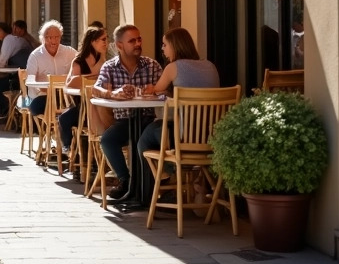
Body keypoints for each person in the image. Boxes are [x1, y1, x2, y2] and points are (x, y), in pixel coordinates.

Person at [95, 24, 164, 200]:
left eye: (139, 39)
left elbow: (167, 90)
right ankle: (126, 181)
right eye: (132, 41)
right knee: (108, 140)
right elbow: (96, 89)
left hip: (147, 119)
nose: (137, 43)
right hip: (124, 121)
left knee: (149, 139)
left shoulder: (152, 65)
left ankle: (148, 188)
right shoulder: (110, 67)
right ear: (119, 46)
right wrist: (113, 93)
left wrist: (156, 90)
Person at [136, 27, 221, 159]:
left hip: (181, 137)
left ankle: (163, 176)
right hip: (210, 137)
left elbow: (155, 90)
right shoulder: (210, 66)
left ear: (175, 46)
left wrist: (149, 88)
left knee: (145, 138)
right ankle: (177, 174)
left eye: (165, 45)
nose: (162, 49)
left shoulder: (173, 67)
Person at [58, 25, 111, 145]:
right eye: (103, 39)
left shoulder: (105, 62)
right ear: (93, 41)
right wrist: (91, 79)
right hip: (82, 106)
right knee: (64, 119)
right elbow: (70, 85)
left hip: (102, 106)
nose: (106, 43)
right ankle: (68, 148)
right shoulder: (79, 61)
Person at [24, 20, 79, 120]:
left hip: (66, 96)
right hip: (44, 97)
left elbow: (82, 62)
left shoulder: (69, 52)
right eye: (49, 37)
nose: (53, 41)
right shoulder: (35, 56)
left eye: (56, 37)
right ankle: (59, 120)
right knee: (35, 107)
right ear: (43, 38)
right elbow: (30, 80)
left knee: (81, 105)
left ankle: (64, 123)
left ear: (60, 37)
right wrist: (42, 88)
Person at [0, 21, 31, 117]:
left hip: (22, 79)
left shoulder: (9, 39)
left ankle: (6, 109)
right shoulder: (12, 39)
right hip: (22, 76)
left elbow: (2, 62)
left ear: (5, 31)